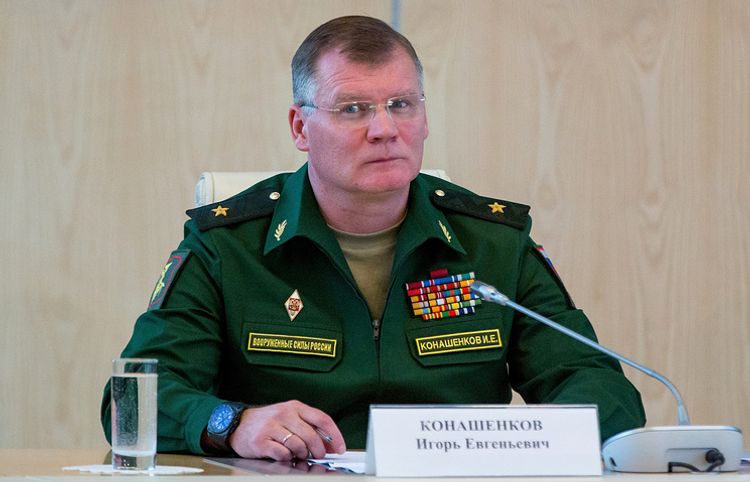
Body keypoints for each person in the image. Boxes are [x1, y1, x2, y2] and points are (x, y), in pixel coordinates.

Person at [101, 15, 645, 461]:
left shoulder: (493, 245)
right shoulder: (227, 247)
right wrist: (233, 423)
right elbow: (130, 404)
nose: (385, 129)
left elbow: (603, 389)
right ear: (300, 127)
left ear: (424, 118)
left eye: (401, 104)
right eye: (353, 109)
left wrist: (535, 440)